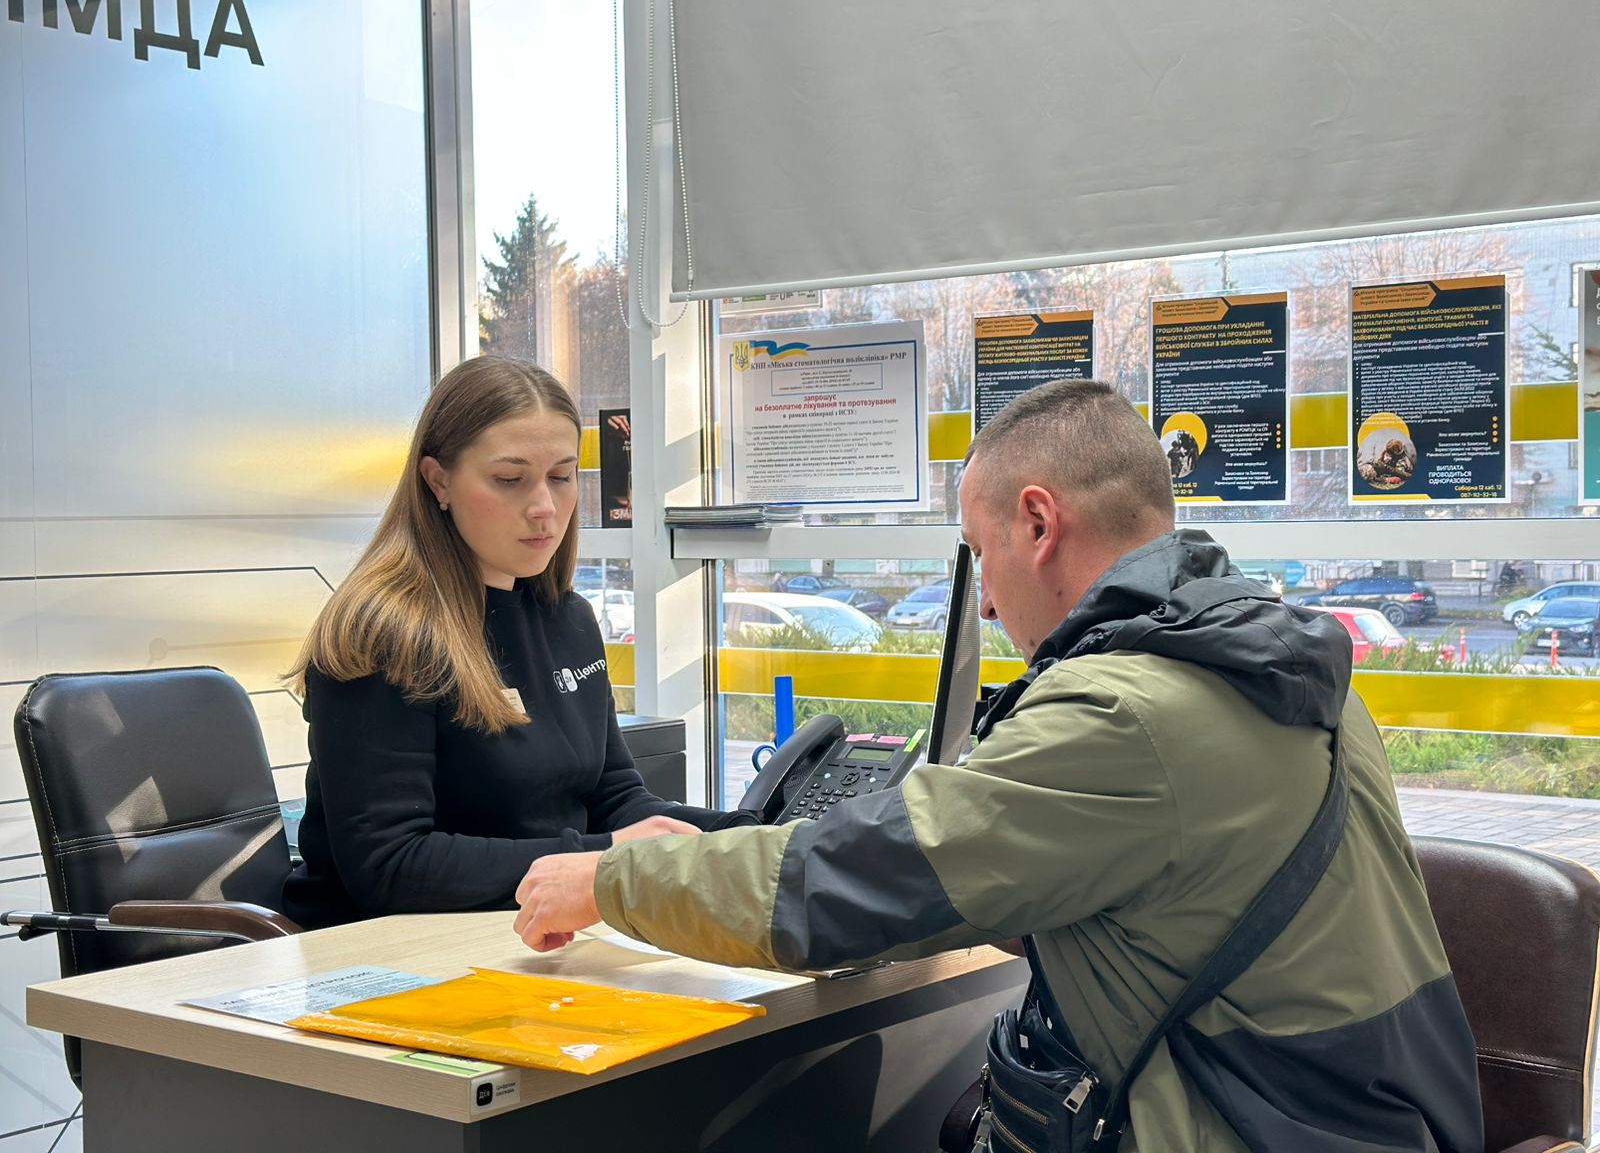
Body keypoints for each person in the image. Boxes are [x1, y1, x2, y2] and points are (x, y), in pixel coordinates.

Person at [511, 379, 1481, 1151]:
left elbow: (849, 886)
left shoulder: (1122, 714)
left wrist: (611, 879)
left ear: (1037, 523)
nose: (981, 608)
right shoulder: (1290, 672)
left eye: (979, 554)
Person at [279, 358, 756, 930]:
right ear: (438, 482)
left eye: (561, 477)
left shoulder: (568, 619)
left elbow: (616, 797)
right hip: (384, 956)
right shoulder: (386, 634)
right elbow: (389, 868)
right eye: (510, 480)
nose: (544, 508)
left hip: (520, 936)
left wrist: (752, 836)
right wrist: (605, 856)